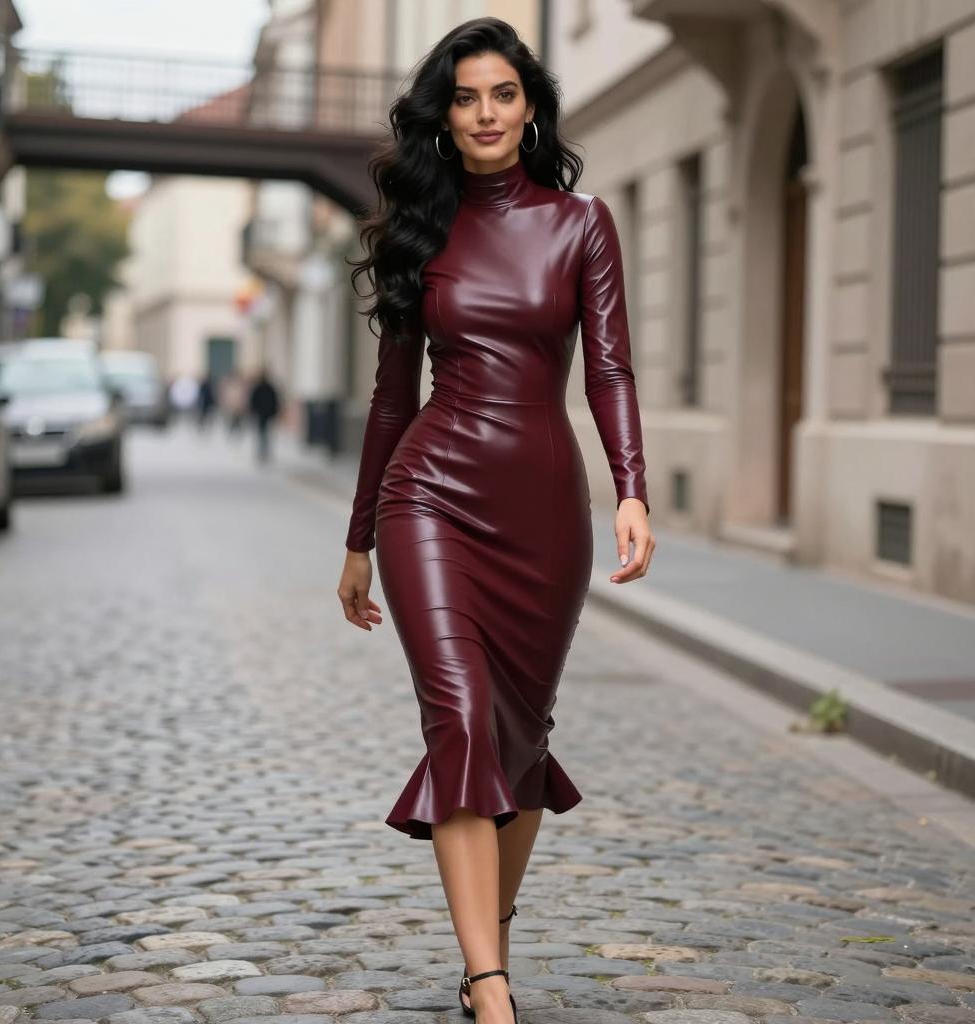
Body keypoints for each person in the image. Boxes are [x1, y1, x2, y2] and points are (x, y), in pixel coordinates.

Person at [336, 18, 655, 1024]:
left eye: (502, 96)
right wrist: (357, 540)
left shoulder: (580, 223)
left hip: (543, 510)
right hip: (428, 495)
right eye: (465, 97)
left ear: (528, 108)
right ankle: (489, 987)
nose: (484, 114)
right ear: (445, 115)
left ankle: (488, 939)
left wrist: (632, 487)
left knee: (516, 742)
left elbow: (607, 366)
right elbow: (392, 399)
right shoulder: (417, 233)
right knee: (463, 722)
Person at [248, 367, 281, 463]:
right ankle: (262, 452)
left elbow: (274, 401)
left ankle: (263, 453)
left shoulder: (266, 388)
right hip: (263, 414)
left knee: (263, 434)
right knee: (263, 434)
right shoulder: (265, 388)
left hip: (263, 414)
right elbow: (253, 401)